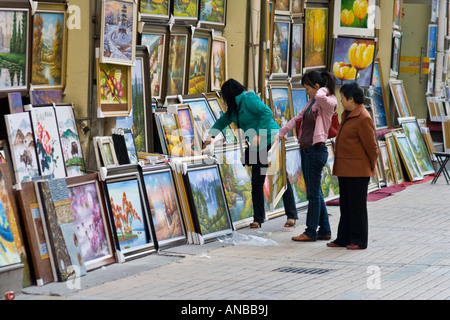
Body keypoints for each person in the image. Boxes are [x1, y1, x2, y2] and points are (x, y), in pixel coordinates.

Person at [203, 79, 298, 229]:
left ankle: (291, 215)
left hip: (269, 139)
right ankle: (258, 218)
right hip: (256, 144)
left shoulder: (249, 99)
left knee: (280, 177)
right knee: (256, 182)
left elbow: (266, 112)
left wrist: (259, 134)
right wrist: (210, 136)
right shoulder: (233, 109)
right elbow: (222, 122)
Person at [276, 71, 337, 242]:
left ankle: (311, 231)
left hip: (316, 150)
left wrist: (322, 89)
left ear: (317, 87)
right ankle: (324, 230)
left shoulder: (327, 101)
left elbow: (321, 95)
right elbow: (297, 118)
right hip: (307, 150)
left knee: (313, 194)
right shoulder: (312, 102)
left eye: (307, 88)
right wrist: (281, 133)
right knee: (315, 192)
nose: (306, 92)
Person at [327, 82, 379, 250]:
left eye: (342, 98)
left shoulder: (363, 117)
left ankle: (359, 240)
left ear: (351, 99)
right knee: (346, 206)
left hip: (358, 171)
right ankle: (343, 238)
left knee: (357, 207)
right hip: (345, 169)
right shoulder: (348, 114)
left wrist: (370, 167)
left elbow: (372, 147)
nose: (341, 101)